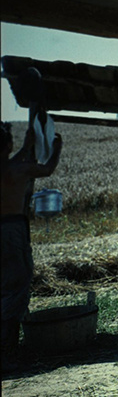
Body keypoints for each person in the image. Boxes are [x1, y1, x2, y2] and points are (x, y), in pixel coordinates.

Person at [1, 121, 63, 371]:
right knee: (16, 288)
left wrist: (27, 145)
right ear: (8, 144)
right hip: (12, 230)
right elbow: (47, 169)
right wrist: (57, 147)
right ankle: (8, 354)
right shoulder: (18, 171)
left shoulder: (12, 166)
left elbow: (10, 161)